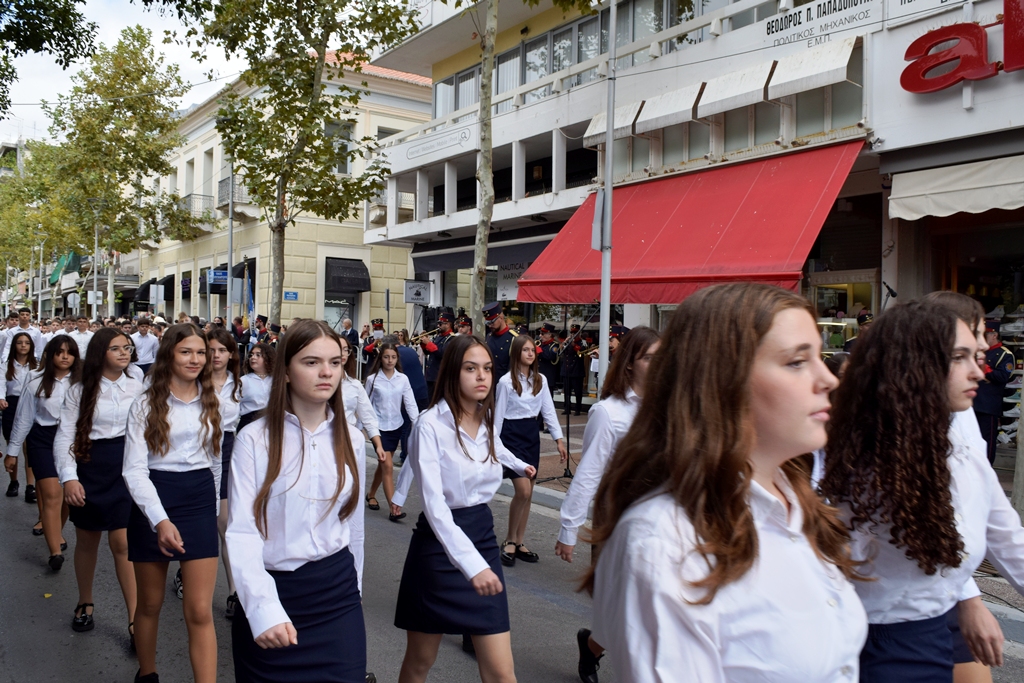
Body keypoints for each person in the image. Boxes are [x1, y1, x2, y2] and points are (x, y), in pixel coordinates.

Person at [587, 283, 867, 681]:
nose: (828, 379)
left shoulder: (795, 502)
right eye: (796, 362)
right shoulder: (665, 542)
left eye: (819, 357)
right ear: (723, 380)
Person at [821, 300, 1024, 682]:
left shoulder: (962, 447)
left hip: (928, 629)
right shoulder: (856, 457)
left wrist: (969, 598)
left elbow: (1006, 537)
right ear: (915, 366)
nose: (978, 371)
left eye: (977, 354)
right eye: (960, 357)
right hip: (877, 641)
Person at [226, 319, 368, 683]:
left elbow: (354, 525)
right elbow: (242, 532)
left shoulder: (351, 437)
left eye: (335, 362)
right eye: (311, 362)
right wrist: (262, 609)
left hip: (337, 596)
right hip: (274, 590)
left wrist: (356, 589)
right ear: (286, 371)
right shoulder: (254, 439)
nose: (326, 372)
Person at [394, 335, 535, 683]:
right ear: (453, 372)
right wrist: (472, 566)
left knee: (502, 673)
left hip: (482, 538)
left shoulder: (485, 421)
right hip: (438, 550)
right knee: (419, 662)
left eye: (487, 368)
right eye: (471, 369)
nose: (482, 377)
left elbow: (497, 449)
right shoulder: (430, 426)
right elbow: (434, 505)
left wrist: (521, 466)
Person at [554, 325, 659, 683]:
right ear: (630, 363)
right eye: (650, 358)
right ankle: (597, 646)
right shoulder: (608, 412)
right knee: (623, 610)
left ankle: (595, 646)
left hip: (662, 524)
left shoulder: (670, 407)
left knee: (649, 612)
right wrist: (569, 528)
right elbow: (588, 474)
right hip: (617, 523)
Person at [122, 323, 222, 683]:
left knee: (199, 609)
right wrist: (160, 520)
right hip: (154, 498)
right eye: (186, 352)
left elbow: (214, 462)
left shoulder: (212, 400)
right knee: (149, 604)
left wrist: (211, 512)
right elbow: (133, 471)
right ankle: (147, 674)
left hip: (197, 500)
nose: (195, 359)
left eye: (201, 352)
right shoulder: (145, 403)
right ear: (169, 355)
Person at [53, 328, 143, 641]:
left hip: (127, 466)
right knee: (88, 540)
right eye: (116, 348)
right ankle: (85, 600)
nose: (124, 353)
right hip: (91, 464)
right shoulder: (80, 388)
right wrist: (69, 477)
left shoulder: (139, 382)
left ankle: (135, 619)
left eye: (127, 348)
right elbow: (65, 434)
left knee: (123, 543)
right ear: (100, 352)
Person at [6, 334, 81, 570]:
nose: (65, 356)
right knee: (51, 494)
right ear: (50, 355)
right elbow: (23, 417)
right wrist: (12, 451)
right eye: (60, 352)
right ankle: (54, 552)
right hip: (43, 439)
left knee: (68, 495)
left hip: (73, 441)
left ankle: (55, 530)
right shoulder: (35, 380)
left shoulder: (84, 381)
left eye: (69, 352)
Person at [494, 335, 567, 568]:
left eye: (532, 350)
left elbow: (548, 410)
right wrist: (493, 446)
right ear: (516, 353)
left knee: (530, 493)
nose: (530, 353)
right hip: (511, 434)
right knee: (523, 491)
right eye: (525, 350)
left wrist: (559, 439)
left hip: (530, 434)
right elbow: (498, 417)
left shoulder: (541, 380)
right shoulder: (505, 382)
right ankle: (508, 539)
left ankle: (519, 541)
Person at [207, 327, 242, 620]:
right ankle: (186, 570)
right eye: (212, 350)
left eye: (222, 350)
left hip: (228, 449)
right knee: (196, 520)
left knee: (225, 524)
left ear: (230, 354)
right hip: (195, 451)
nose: (216, 355)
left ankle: (233, 592)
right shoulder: (194, 380)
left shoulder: (241, 385)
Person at [364, 341, 418, 522]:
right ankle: (394, 507)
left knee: (383, 464)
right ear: (381, 358)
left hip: (396, 427)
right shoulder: (372, 380)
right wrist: (357, 429)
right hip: (378, 429)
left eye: (393, 357)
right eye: (386, 357)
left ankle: (371, 493)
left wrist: (418, 424)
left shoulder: (402, 379)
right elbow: (366, 406)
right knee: (387, 466)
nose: (390, 361)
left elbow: (410, 402)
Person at [2, 331, 37, 501]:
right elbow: (1, 384)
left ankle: (30, 486)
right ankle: (14, 481)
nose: (23, 346)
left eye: (27, 343)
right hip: (12, 404)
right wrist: (1, 398)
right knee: (12, 444)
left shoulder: (36, 366)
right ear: (14, 345)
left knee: (28, 447)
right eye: (20, 342)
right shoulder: (6, 365)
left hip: (31, 405)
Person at [974, 320, 1014, 464]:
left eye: (985, 334)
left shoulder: (1005, 354)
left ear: (994, 335)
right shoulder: (977, 351)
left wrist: (985, 369)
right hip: (972, 402)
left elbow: (1003, 376)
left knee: (987, 442)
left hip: (988, 405)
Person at [239, 343, 275, 432]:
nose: (253, 357)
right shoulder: (244, 381)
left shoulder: (275, 380)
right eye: (251, 355)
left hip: (271, 422)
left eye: (258, 355)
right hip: (249, 422)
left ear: (268, 358)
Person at [421, 312, 454, 401]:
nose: (438, 326)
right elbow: (428, 353)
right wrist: (423, 343)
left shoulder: (451, 338)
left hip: (440, 376)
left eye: (440, 324)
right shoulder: (437, 337)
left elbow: (442, 354)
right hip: (431, 375)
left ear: (448, 324)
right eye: (438, 323)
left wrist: (428, 343)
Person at [482, 303, 516, 381]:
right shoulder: (489, 337)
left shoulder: (513, 338)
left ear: (501, 317)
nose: (490, 325)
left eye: (492, 322)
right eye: (488, 323)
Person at [560, 325, 587, 416]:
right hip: (567, 371)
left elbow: (582, 352)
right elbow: (561, 352)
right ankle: (567, 408)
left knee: (578, 392)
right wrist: (564, 343)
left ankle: (577, 409)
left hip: (576, 371)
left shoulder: (582, 342)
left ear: (579, 333)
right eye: (572, 332)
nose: (573, 334)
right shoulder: (568, 342)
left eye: (575, 333)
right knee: (567, 392)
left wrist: (574, 345)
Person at [535, 323, 560, 398]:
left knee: (547, 398)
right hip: (538, 374)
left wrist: (540, 350)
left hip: (548, 376)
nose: (540, 336)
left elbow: (550, 356)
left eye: (542, 334)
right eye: (540, 333)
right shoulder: (541, 344)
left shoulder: (554, 345)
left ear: (549, 334)